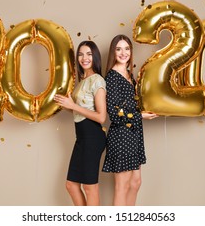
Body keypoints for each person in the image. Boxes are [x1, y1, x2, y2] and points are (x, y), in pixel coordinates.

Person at [102, 34, 158, 206]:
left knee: (135, 183)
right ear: (113, 52)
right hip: (121, 136)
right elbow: (113, 112)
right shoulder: (112, 77)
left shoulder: (129, 74)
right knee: (122, 186)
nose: (123, 52)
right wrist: (140, 116)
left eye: (126, 48)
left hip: (134, 134)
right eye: (118, 49)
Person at [54, 40, 107, 206]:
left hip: (93, 137)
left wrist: (73, 106)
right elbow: (81, 109)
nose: (84, 58)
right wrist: (67, 107)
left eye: (89, 54)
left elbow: (101, 117)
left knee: (90, 187)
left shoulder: (97, 80)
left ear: (95, 57)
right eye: (81, 54)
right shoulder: (83, 80)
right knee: (71, 185)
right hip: (82, 138)